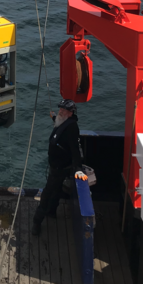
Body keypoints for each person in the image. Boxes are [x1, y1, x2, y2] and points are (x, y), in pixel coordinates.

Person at [32, 99, 88, 236]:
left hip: (60, 168)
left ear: (70, 113)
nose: (60, 112)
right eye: (60, 110)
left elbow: (75, 149)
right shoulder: (62, 121)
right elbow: (59, 123)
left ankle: (37, 221)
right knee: (56, 190)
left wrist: (78, 168)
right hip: (56, 166)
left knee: (47, 193)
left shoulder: (72, 128)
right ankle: (51, 212)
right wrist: (53, 117)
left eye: (64, 110)